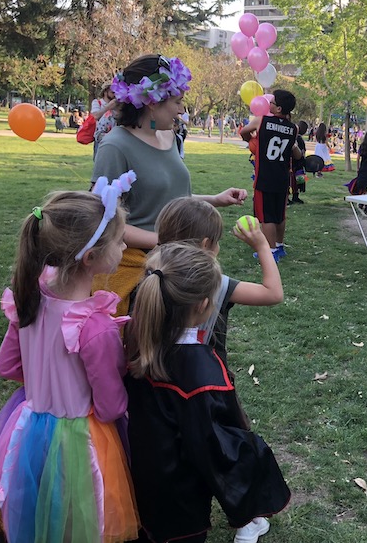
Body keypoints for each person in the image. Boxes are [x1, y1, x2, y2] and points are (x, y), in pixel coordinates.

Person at [0, 188, 139, 543]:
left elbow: (7, 366)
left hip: (26, 429)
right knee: (76, 521)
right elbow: (110, 405)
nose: (124, 247)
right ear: (91, 258)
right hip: (81, 441)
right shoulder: (94, 325)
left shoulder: (29, 296)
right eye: (119, 240)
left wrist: (45, 379)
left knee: (33, 510)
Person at [124, 242, 290, 543]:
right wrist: (254, 457)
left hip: (137, 474)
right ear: (202, 305)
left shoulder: (137, 343)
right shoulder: (202, 372)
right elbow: (216, 447)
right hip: (180, 499)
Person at [92, 53, 248, 316]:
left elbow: (168, 198)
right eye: (177, 101)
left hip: (176, 262)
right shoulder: (115, 146)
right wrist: (166, 240)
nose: (181, 110)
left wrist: (215, 199)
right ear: (153, 102)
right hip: (138, 273)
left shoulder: (170, 137)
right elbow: (103, 220)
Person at [155, 197, 283, 367]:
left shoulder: (153, 276)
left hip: (153, 377)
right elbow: (273, 294)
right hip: (204, 377)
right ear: (205, 245)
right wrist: (262, 247)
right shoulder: (214, 285)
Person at [240, 89, 303, 263]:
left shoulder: (261, 121)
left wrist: (250, 140)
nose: (269, 104)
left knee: (266, 216)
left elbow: (244, 131)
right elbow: (296, 153)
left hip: (265, 177)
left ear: (279, 108)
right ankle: (280, 246)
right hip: (282, 177)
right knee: (279, 215)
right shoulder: (294, 128)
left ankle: (271, 251)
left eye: (272, 102)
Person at [91, 81, 118, 158]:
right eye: (112, 92)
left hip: (114, 136)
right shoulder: (97, 102)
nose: (115, 95)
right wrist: (108, 107)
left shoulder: (117, 104)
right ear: (106, 91)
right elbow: (95, 116)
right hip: (100, 136)